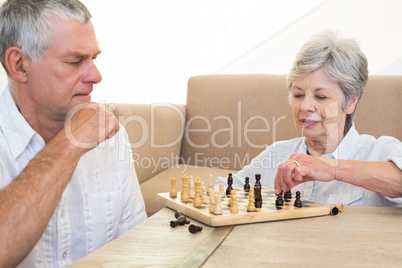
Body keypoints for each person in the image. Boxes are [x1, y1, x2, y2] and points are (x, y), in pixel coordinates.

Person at [0, 0, 147, 267]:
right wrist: (70, 143)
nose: (96, 75)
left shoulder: (113, 138)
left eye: (94, 58)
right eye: (75, 60)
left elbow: (134, 248)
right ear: (20, 64)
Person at [217, 29, 402, 206]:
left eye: (321, 97)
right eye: (298, 95)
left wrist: (331, 168)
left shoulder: (379, 152)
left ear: (351, 102)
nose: (305, 106)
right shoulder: (277, 155)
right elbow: (222, 190)